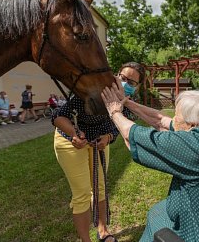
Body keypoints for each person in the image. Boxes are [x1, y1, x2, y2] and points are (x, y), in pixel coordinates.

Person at [101, 87, 199, 242]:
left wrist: (114, 112)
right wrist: (128, 104)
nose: (173, 119)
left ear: (193, 123)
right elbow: (160, 120)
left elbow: (130, 137)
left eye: (177, 116)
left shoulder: (198, 148)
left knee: (157, 217)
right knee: (157, 212)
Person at [52, 62, 145, 242]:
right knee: (83, 194)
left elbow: (121, 124)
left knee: (100, 188)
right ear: (117, 74)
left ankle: (103, 231)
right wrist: (74, 133)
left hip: (98, 143)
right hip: (71, 141)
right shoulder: (94, 89)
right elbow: (58, 115)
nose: (125, 83)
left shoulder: (127, 101)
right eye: (123, 78)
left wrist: (109, 136)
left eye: (131, 82)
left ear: (137, 86)